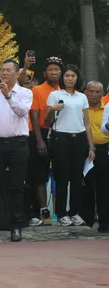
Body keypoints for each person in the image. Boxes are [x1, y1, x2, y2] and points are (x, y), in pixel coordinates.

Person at [0, 59, 33, 242]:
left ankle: (16, 226)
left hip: (18, 143)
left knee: (17, 186)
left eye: (8, 70)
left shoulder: (25, 92)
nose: (4, 73)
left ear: (17, 73)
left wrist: (8, 96)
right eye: (2, 70)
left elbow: (22, 112)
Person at [44, 64, 95, 227]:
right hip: (61, 138)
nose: (70, 78)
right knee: (62, 178)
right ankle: (61, 213)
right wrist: (53, 109)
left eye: (73, 76)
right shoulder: (54, 95)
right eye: (67, 76)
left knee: (76, 178)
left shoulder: (82, 97)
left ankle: (74, 212)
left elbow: (86, 123)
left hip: (79, 138)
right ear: (62, 78)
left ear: (77, 78)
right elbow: (46, 122)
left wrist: (91, 146)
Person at [27, 57, 62, 227]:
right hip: (41, 133)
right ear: (44, 73)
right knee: (39, 174)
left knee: (60, 174)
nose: (53, 72)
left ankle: (61, 212)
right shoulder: (38, 90)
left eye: (56, 69)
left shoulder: (64, 92)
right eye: (50, 69)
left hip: (61, 134)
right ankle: (43, 210)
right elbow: (34, 115)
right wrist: (39, 139)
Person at [80, 81, 109, 231]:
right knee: (86, 186)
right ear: (85, 92)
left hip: (104, 150)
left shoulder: (107, 108)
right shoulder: (81, 108)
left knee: (104, 187)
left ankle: (105, 223)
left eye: (98, 92)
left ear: (102, 93)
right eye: (91, 91)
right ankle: (87, 220)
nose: (94, 94)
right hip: (85, 151)